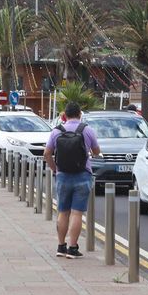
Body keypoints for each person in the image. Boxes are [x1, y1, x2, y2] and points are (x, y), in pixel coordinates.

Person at [44, 102, 101, 259]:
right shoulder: (87, 130)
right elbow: (96, 152)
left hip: (62, 175)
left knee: (63, 212)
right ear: (80, 114)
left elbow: (47, 153)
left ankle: (61, 246)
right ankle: (72, 248)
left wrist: (55, 169)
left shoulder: (56, 131)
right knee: (76, 213)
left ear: (65, 115)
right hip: (83, 175)